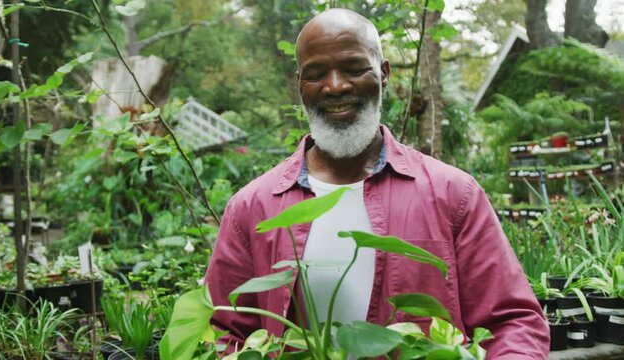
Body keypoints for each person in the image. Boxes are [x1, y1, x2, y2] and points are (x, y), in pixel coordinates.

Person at [205, 8, 550, 359]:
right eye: (316, 73)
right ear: (300, 84)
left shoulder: (452, 194)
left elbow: (512, 322)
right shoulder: (251, 208)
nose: (336, 85)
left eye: (354, 69)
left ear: (384, 74)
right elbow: (225, 332)